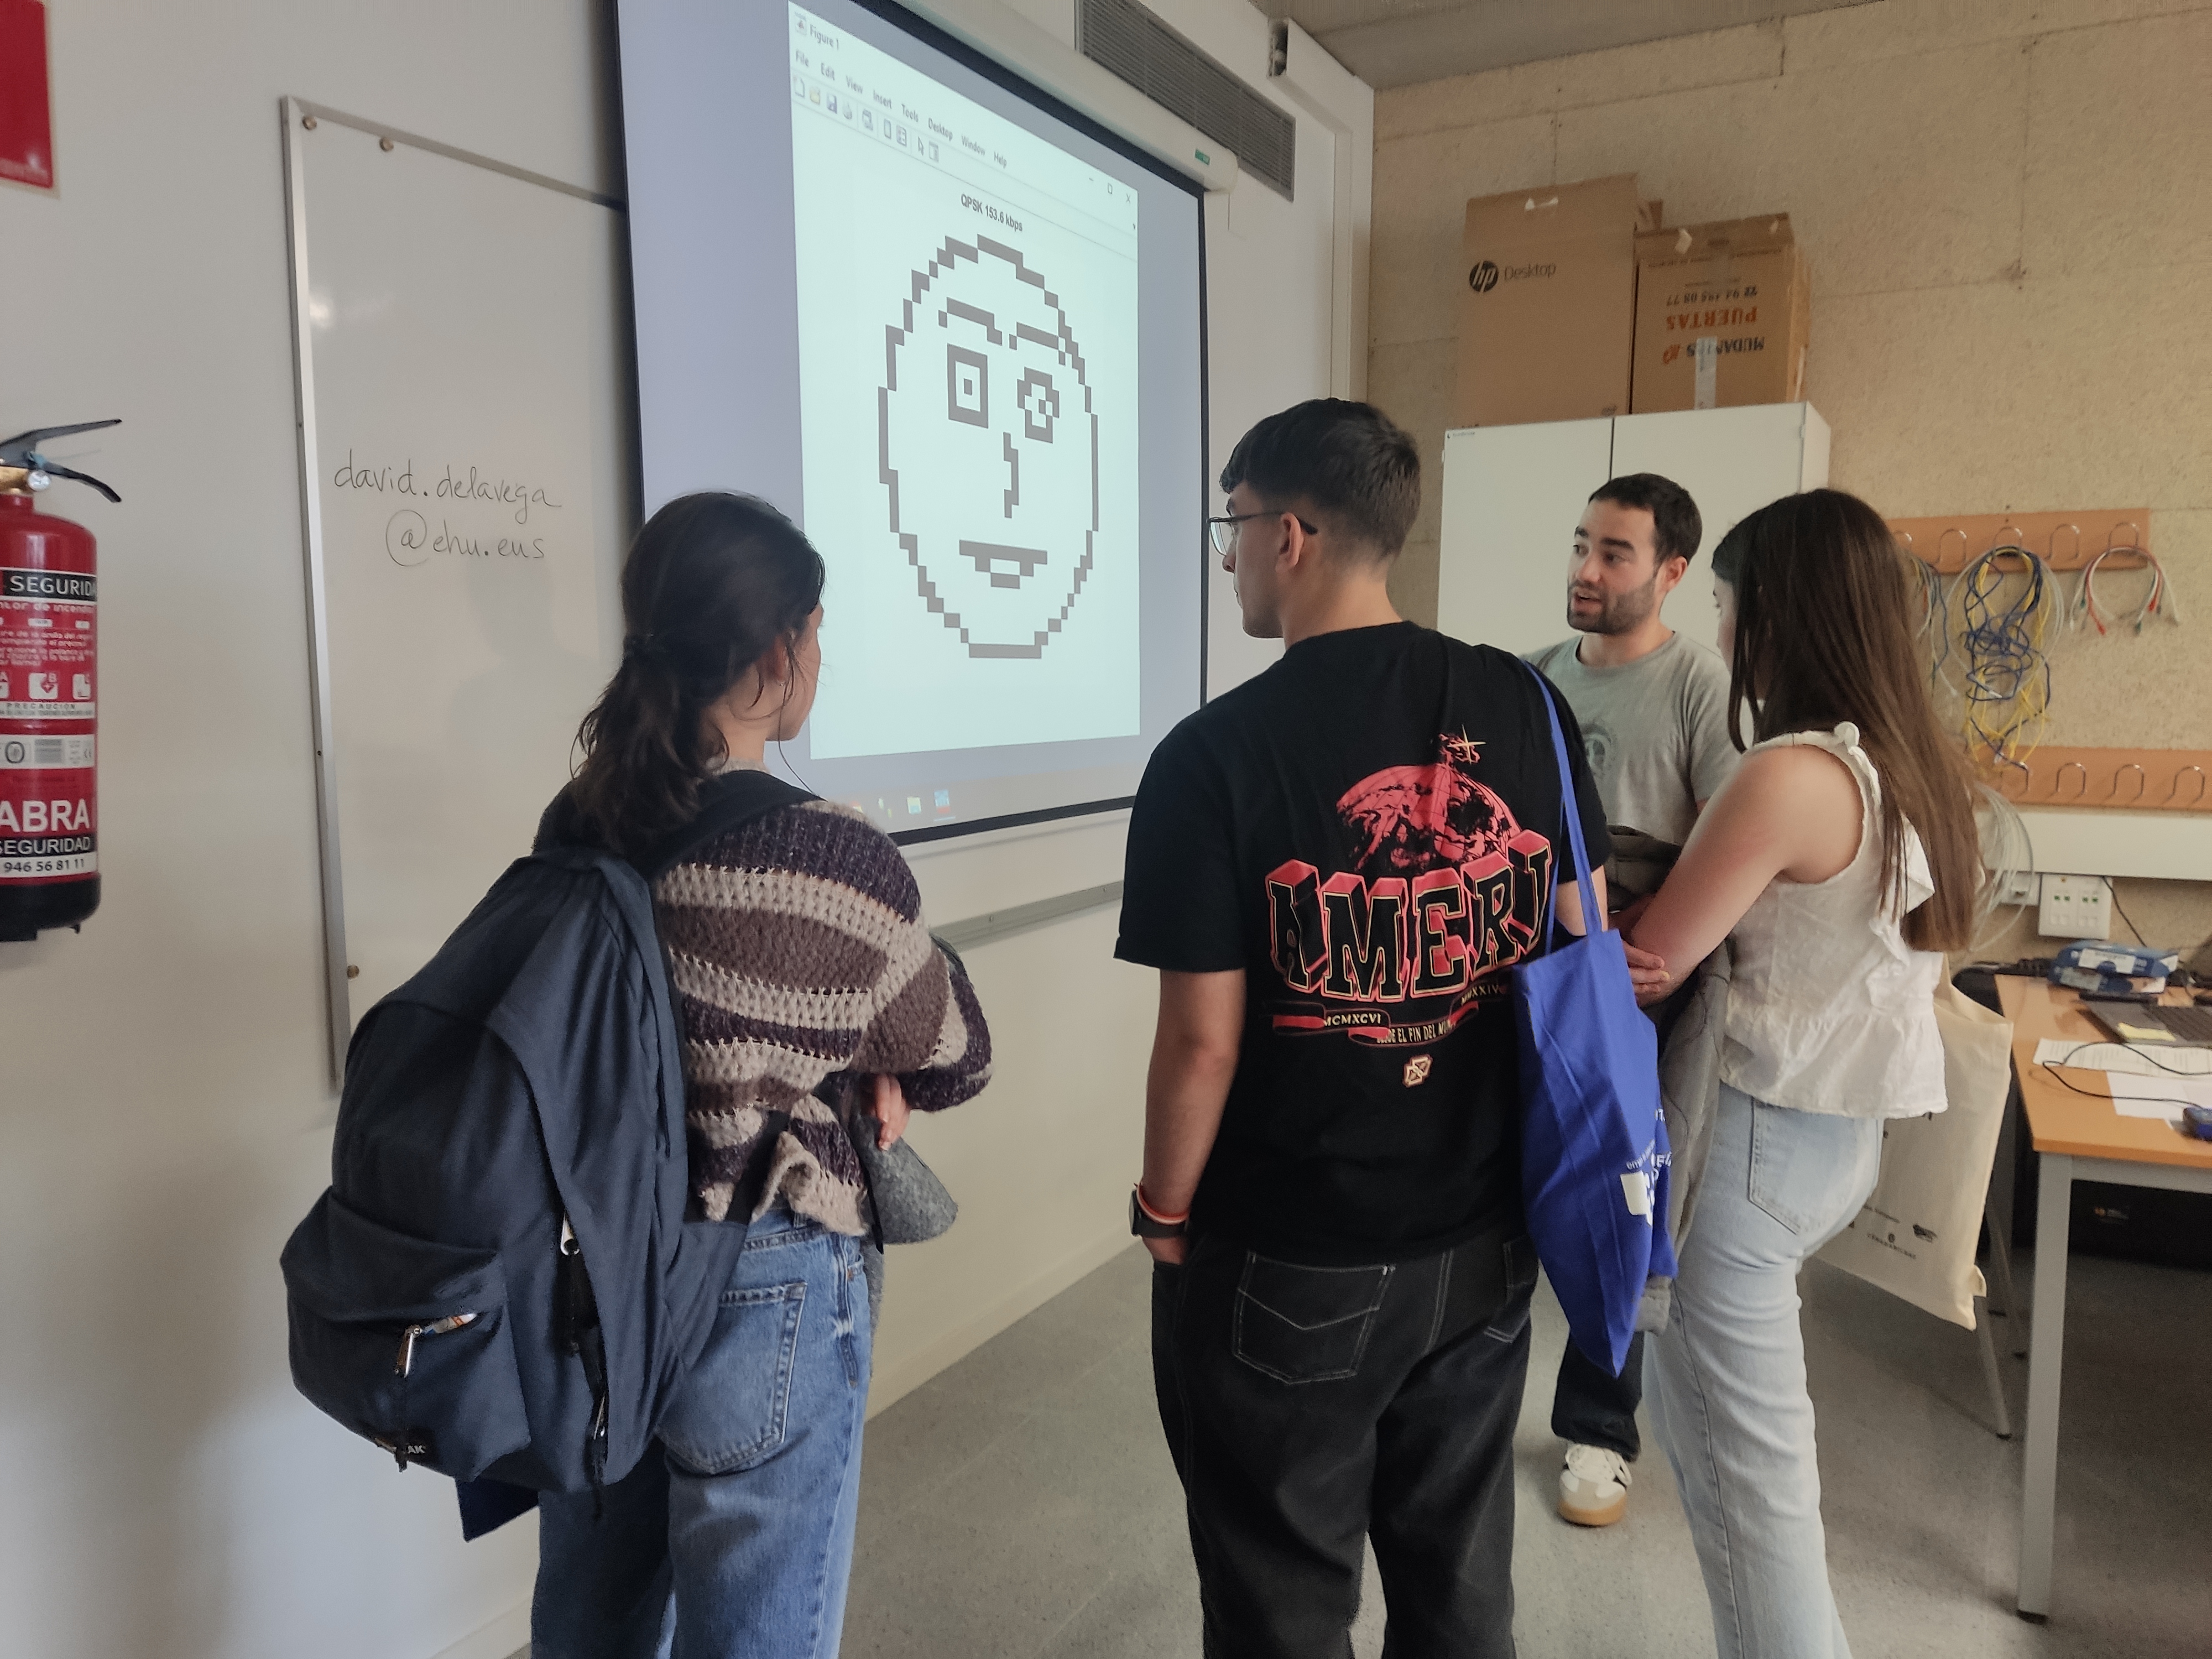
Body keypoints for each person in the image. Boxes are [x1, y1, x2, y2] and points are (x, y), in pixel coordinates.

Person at [1117, 399, 1661, 1658]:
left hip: (1292, 1248)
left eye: (1233, 528)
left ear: (1290, 535)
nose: (1228, 557)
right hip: (1487, 1233)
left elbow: (1202, 1042)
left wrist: (1162, 1209)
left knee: (1280, 1595)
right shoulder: (1521, 698)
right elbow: (1578, 924)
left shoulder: (1212, 756)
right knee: (1458, 1580)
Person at [530, 492, 993, 1659]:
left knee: (593, 1615)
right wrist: (862, 1059)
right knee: (759, 1633)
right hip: (764, 1272)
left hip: (600, 1264)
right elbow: (953, 1051)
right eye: (818, 632)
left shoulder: (577, 822)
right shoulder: (831, 853)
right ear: (780, 652)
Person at [1626, 489, 1982, 1659]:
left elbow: (1654, 960)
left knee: (1751, 1504)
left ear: (1776, 613)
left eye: (1728, 603)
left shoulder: (1788, 773)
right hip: (1833, 1144)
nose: (1722, 631)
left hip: (1750, 1147)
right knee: (1747, 1468)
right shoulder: (1908, 766)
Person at [1522, 473, 1739, 1529]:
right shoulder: (1530, 679)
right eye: (1581, 544)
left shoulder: (1700, 684)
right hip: (1532, 966)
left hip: (1638, 976)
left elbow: (1731, 841)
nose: (1587, 569)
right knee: (1502, 1186)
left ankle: (1599, 1430)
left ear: (1671, 572)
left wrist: (1656, 952)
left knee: (1622, 1202)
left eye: (1614, 553)